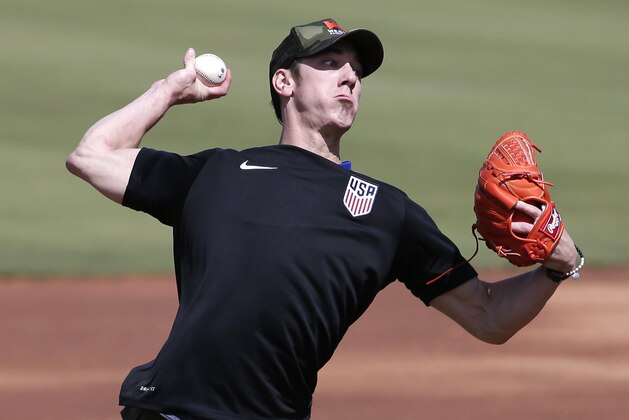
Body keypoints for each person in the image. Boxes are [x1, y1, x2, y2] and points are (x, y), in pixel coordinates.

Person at [66, 18, 580, 420]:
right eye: (331, 63)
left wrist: (559, 265)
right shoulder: (217, 171)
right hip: (167, 411)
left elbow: (488, 316)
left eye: (355, 70)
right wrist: (170, 91)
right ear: (284, 81)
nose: (351, 77)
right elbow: (91, 156)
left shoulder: (386, 211)